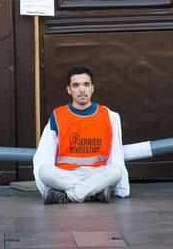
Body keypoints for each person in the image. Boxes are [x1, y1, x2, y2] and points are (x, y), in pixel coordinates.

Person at [33, 65, 129, 204]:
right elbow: (44, 154)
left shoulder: (109, 116)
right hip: (66, 175)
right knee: (44, 170)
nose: (82, 89)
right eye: (76, 85)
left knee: (116, 171)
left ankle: (67, 196)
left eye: (86, 84)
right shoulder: (58, 115)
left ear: (92, 88)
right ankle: (95, 193)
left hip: (97, 174)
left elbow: (116, 154)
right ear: (69, 90)